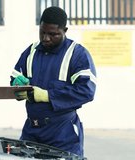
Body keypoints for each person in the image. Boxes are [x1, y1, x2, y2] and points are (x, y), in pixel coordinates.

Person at [10, 6, 96, 157]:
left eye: (53, 34)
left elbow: (86, 91)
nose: (46, 38)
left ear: (65, 31)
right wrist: (16, 85)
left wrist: (47, 96)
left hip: (62, 134)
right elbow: (14, 79)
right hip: (31, 131)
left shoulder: (77, 54)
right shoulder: (31, 52)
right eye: (42, 32)